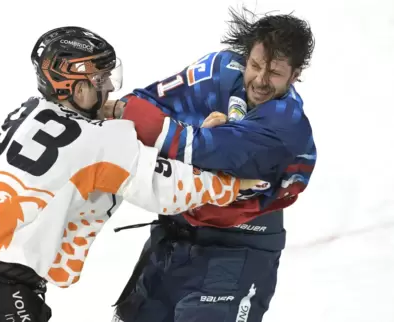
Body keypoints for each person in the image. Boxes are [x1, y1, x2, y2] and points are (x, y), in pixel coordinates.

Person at [0, 26, 260, 322]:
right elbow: (162, 187)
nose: (107, 90)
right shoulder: (100, 140)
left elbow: (96, 160)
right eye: (99, 81)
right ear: (73, 88)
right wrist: (229, 183)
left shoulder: (28, 110)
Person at [105, 8, 317, 322]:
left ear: (295, 74)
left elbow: (196, 147)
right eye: (255, 65)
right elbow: (147, 103)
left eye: (274, 73)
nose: (259, 80)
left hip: (238, 249)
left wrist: (125, 112)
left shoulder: (285, 125)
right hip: (175, 234)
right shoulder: (219, 68)